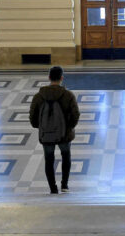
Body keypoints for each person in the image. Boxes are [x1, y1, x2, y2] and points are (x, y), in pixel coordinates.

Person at [29, 66, 80, 194]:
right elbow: (76, 115)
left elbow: (33, 116)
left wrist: (41, 127)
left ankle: (53, 188)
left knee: (49, 160)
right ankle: (64, 185)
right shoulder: (68, 95)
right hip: (64, 134)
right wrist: (69, 127)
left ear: (49, 78)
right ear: (61, 78)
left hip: (46, 134)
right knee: (66, 157)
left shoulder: (38, 96)